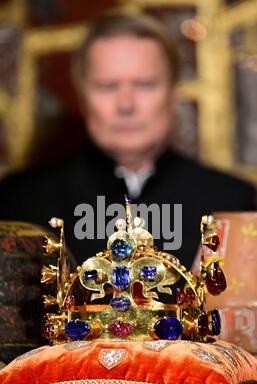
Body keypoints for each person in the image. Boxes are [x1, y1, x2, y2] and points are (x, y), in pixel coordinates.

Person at [0, 12, 255, 268]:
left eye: (144, 84)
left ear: (173, 92)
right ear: (81, 95)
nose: (126, 105)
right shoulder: (21, 203)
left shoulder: (233, 205)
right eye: (107, 86)